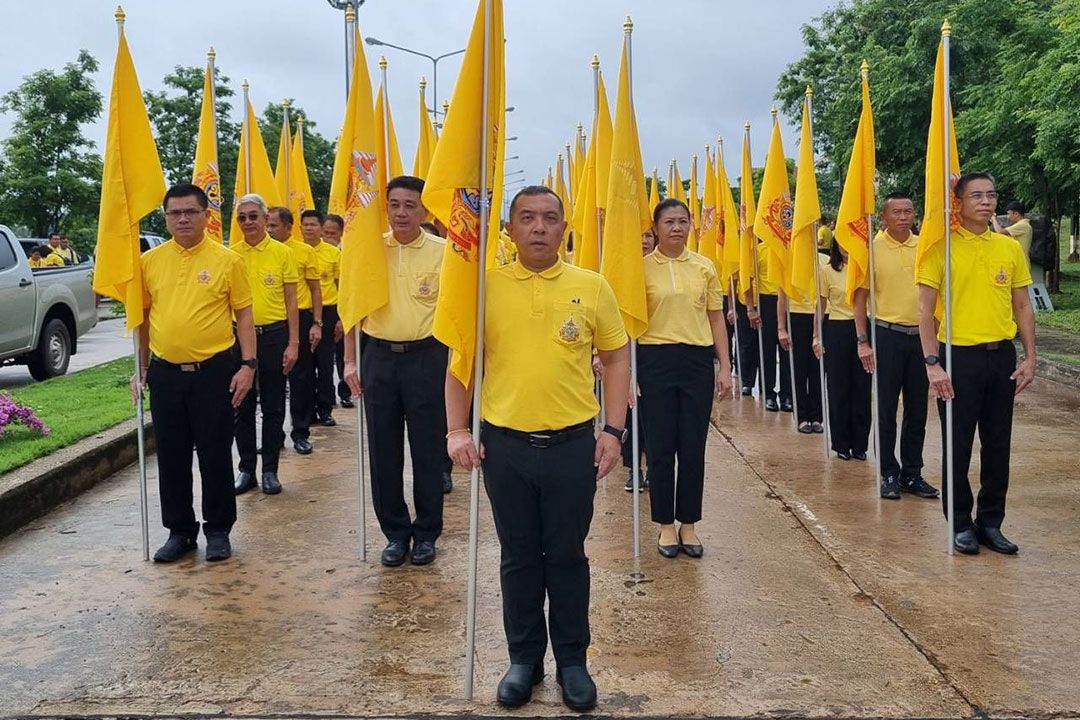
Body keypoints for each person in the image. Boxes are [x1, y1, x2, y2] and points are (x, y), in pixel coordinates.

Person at [446, 186, 629, 713]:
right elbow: (461, 363)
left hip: (574, 445)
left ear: (564, 227)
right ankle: (523, 660)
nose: (539, 227)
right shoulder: (481, 289)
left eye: (550, 218)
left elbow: (616, 360)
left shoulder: (591, 287)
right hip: (504, 446)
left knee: (567, 556)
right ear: (509, 228)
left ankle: (574, 661)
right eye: (527, 218)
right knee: (519, 556)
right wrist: (457, 430)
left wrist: (613, 432)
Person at [133, 183, 255, 563]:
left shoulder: (227, 260)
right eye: (174, 213)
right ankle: (180, 531)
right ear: (166, 218)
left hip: (213, 371)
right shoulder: (149, 262)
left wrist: (248, 365)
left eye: (190, 212)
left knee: (215, 452)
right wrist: (140, 369)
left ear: (206, 216)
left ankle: (218, 530)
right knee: (171, 455)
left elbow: (245, 315)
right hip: (165, 373)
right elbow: (142, 319)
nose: (182, 218)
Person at [917, 172, 1036, 555]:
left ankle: (991, 522)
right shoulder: (941, 248)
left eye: (991, 195)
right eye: (976, 196)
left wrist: (1030, 356)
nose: (986, 202)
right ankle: (961, 523)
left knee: (998, 446)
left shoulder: (1008, 248)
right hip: (957, 357)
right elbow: (924, 311)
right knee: (958, 445)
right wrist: (932, 362)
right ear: (959, 202)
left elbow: (1021, 304)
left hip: (1000, 356)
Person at [343, 175, 449, 568]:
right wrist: (350, 359)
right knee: (383, 450)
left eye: (410, 205)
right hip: (379, 357)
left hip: (427, 357)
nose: (402, 212)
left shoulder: (443, 252)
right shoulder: (368, 250)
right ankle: (395, 532)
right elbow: (351, 307)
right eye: (395, 204)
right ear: (385, 207)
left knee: (427, 450)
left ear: (423, 210)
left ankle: (425, 533)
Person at [638, 198, 733, 558]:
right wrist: (630, 373)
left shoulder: (705, 267)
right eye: (669, 222)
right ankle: (665, 525)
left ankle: (689, 523)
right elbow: (630, 326)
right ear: (656, 227)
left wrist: (724, 366)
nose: (676, 228)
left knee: (693, 448)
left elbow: (715, 318)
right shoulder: (641, 268)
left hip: (696, 360)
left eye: (682, 221)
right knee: (660, 447)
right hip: (654, 359)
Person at [854, 192, 940, 500]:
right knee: (887, 407)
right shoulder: (871, 250)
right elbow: (860, 299)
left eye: (909, 212)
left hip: (921, 337)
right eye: (897, 212)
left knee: (917, 409)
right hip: (886, 335)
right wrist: (863, 341)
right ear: (884, 217)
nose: (904, 217)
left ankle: (912, 473)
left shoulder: (927, 247)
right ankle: (888, 472)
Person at [231, 194, 299, 496]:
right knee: (240, 406)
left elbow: (292, 301)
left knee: (272, 406)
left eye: (253, 216)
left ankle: (270, 469)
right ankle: (246, 469)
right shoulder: (230, 255)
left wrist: (293, 343)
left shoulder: (283, 253)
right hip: (238, 339)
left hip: (274, 336)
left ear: (264, 218)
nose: (248, 222)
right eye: (242, 217)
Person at [267, 207, 324, 455]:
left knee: (301, 378)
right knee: (273, 379)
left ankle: (300, 432)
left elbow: (315, 290)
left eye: (274, 226)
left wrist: (317, 323)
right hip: (273, 320)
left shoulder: (304, 252)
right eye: (267, 225)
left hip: (300, 317)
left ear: (289, 227)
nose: (269, 230)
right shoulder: (264, 252)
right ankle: (273, 435)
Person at [814, 243, 870, 459]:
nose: (847, 247)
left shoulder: (865, 269)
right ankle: (841, 444)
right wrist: (816, 336)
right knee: (838, 388)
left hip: (864, 330)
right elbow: (820, 306)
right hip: (837, 329)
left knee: (862, 388)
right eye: (843, 242)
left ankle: (860, 445)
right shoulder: (827, 271)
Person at [622, 228, 655, 492]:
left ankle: (656, 466)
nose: (644, 240)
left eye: (648, 236)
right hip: (626, 348)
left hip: (655, 351)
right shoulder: (624, 271)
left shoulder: (659, 269)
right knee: (632, 413)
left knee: (657, 418)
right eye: (639, 234)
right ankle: (634, 468)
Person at [745, 241, 792, 412]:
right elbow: (747, 280)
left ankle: (787, 394)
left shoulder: (790, 246)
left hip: (790, 301)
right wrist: (750, 308)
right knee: (767, 350)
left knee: (788, 350)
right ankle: (769, 394)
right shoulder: (759, 250)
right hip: (766, 300)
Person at [308, 212, 343, 425]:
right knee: (305, 367)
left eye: (313, 225)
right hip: (306, 313)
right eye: (305, 225)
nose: (309, 229)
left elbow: (341, 286)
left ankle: (325, 408)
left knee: (325, 363)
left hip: (329, 312)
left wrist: (340, 318)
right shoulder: (296, 252)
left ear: (320, 228)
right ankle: (307, 411)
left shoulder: (332, 253)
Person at [778, 284, 824, 434]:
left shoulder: (824, 261)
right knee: (799, 369)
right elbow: (782, 298)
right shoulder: (792, 261)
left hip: (821, 315)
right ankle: (802, 416)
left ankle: (817, 416)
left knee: (818, 370)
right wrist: (781, 328)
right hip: (797, 315)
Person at [321, 213, 353, 411]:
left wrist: (343, 318)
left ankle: (346, 392)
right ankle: (327, 396)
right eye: (326, 232)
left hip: (341, 309)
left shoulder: (347, 253)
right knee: (325, 357)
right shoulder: (315, 251)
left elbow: (346, 288)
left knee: (344, 354)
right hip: (321, 310)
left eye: (333, 233)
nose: (329, 237)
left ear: (341, 233)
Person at [993, 200, 1033, 267]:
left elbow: (1000, 231)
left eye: (1009, 214)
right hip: (1017, 262)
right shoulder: (1020, 225)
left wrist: (993, 219)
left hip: (1021, 264)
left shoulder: (1022, 225)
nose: (1008, 217)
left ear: (1016, 214)